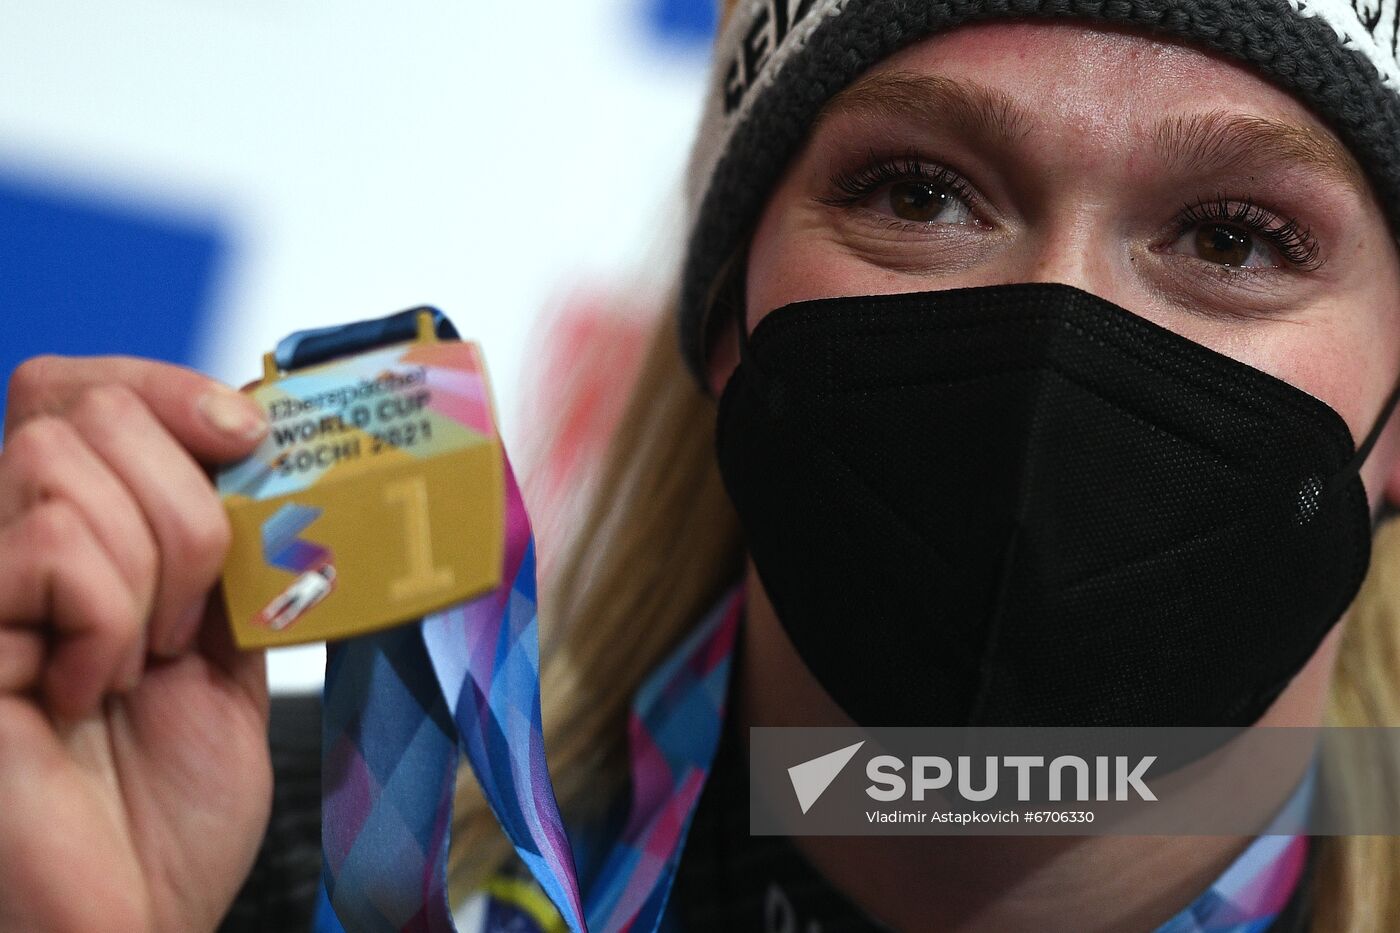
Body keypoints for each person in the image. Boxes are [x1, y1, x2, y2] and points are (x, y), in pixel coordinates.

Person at [4, 1, 1400, 930]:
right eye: (918, 195)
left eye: (1234, 238)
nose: (1056, 331)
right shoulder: (230, 855)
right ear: (730, 312)